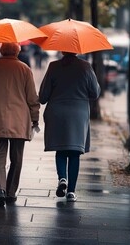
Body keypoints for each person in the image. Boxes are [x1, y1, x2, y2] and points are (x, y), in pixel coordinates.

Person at [0, 42, 40, 207]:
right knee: (17, 158)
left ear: (1, 50)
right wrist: (35, 118)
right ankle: (11, 192)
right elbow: (32, 98)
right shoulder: (25, 69)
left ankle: (0, 190)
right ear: (17, 51)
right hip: (19, 120)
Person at [39, 52, 100, 202]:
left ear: (61, 50)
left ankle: (62, 178)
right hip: (78, 115)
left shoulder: (54, 66)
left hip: (57, 114)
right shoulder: (85, 67)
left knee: (61, 149)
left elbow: (43, 96)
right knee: (74, 152)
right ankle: (71, 191)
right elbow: (95, 92)